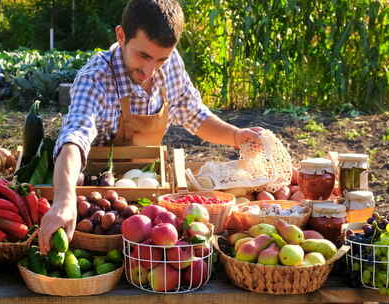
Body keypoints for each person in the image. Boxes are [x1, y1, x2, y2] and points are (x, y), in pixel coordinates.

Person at [38, 0, 262, 253]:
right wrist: (64, 200)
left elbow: (195, 115)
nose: (150, 71)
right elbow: (74, 138)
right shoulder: (96, 78)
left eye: (160, 60)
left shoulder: (171, 63)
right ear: (121, 36)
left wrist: (236, 136)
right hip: (97, 201)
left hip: (149, 195)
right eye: (143, 56)